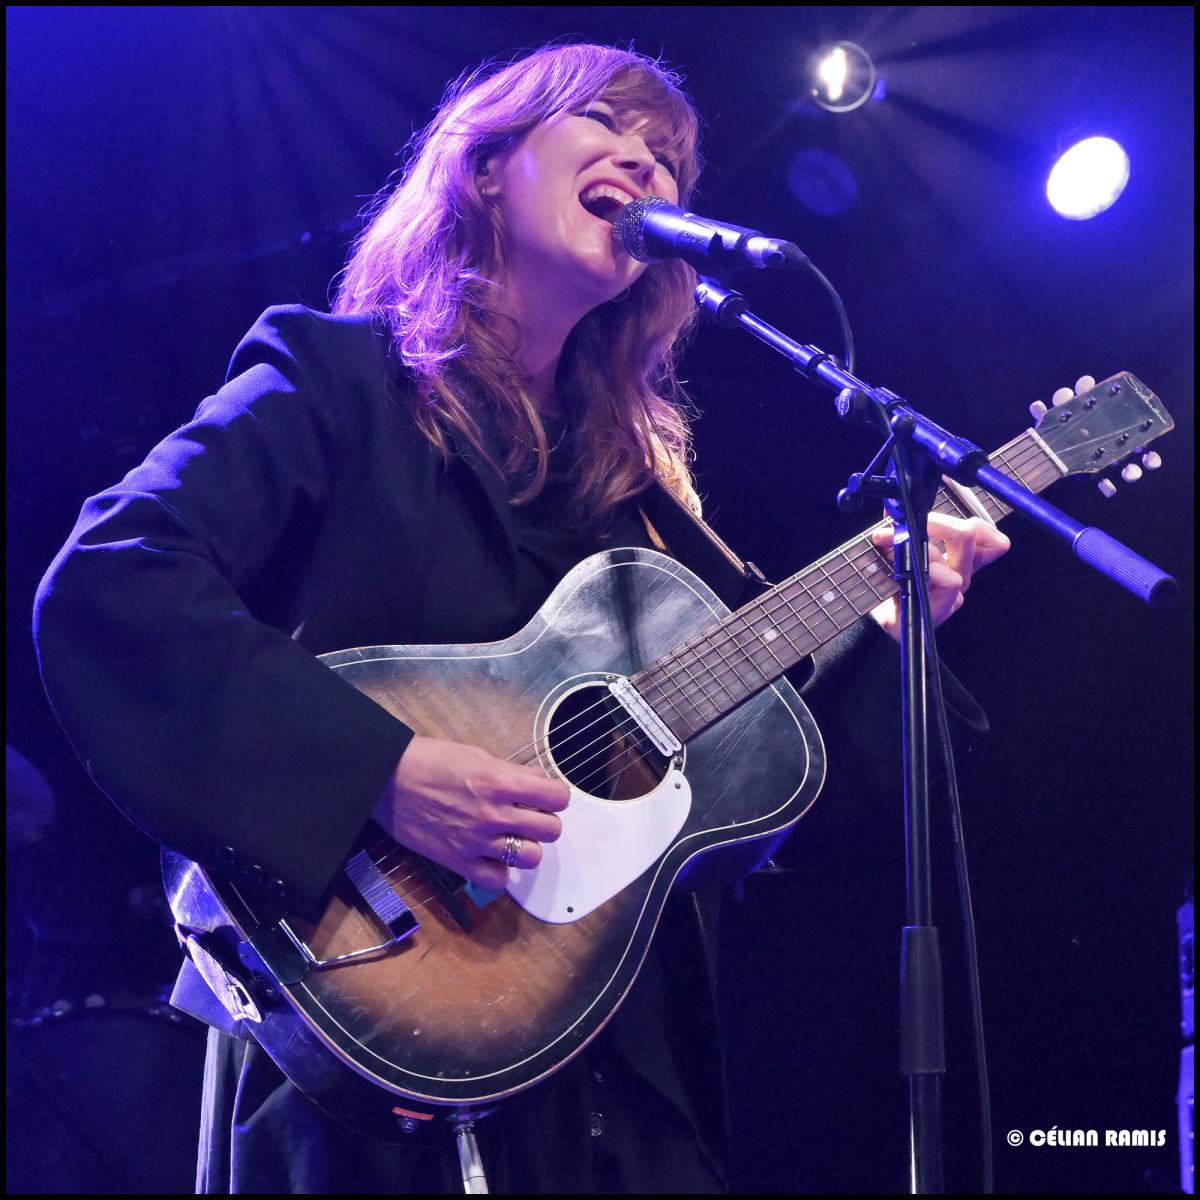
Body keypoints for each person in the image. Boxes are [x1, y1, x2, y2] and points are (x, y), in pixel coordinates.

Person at [33, 43, 1008, 1194]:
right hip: (374, 1041)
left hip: (621, 1071)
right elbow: (113, 577)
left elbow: (771, 778)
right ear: (487, 168)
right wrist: (382, 769)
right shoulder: (337, 381)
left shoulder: (648, 500)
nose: (646, 163)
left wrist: (889, 625)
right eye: (606, 124)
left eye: (672, 161)